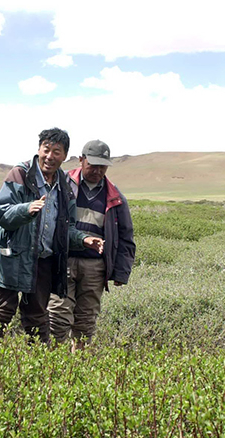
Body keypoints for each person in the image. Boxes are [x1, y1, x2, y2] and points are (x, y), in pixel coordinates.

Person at [0, 128, 104, 343]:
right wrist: (26, 209)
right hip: (11, 258)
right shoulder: (20, 174)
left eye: (56, 152)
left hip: (43, 261)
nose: (50, 156)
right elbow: (1, 213)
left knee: (37, 317)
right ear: (39, 149)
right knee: (0, 314)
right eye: (46, 149)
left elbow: (65, 228)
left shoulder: (65, 186)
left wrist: (83, 239)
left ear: (65, 156)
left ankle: (39, 361)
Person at [48, 140, 136, 350]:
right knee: (57, 318)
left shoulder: (115, 196)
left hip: (95, 267)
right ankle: (53, 362)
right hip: (62, 260)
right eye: (93, 165)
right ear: (81, 160)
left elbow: (126, 237)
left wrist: (121, 272)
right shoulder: (62, 183)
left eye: (102, 167)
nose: (97, 171)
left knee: (86, 321)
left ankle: (80, 364)